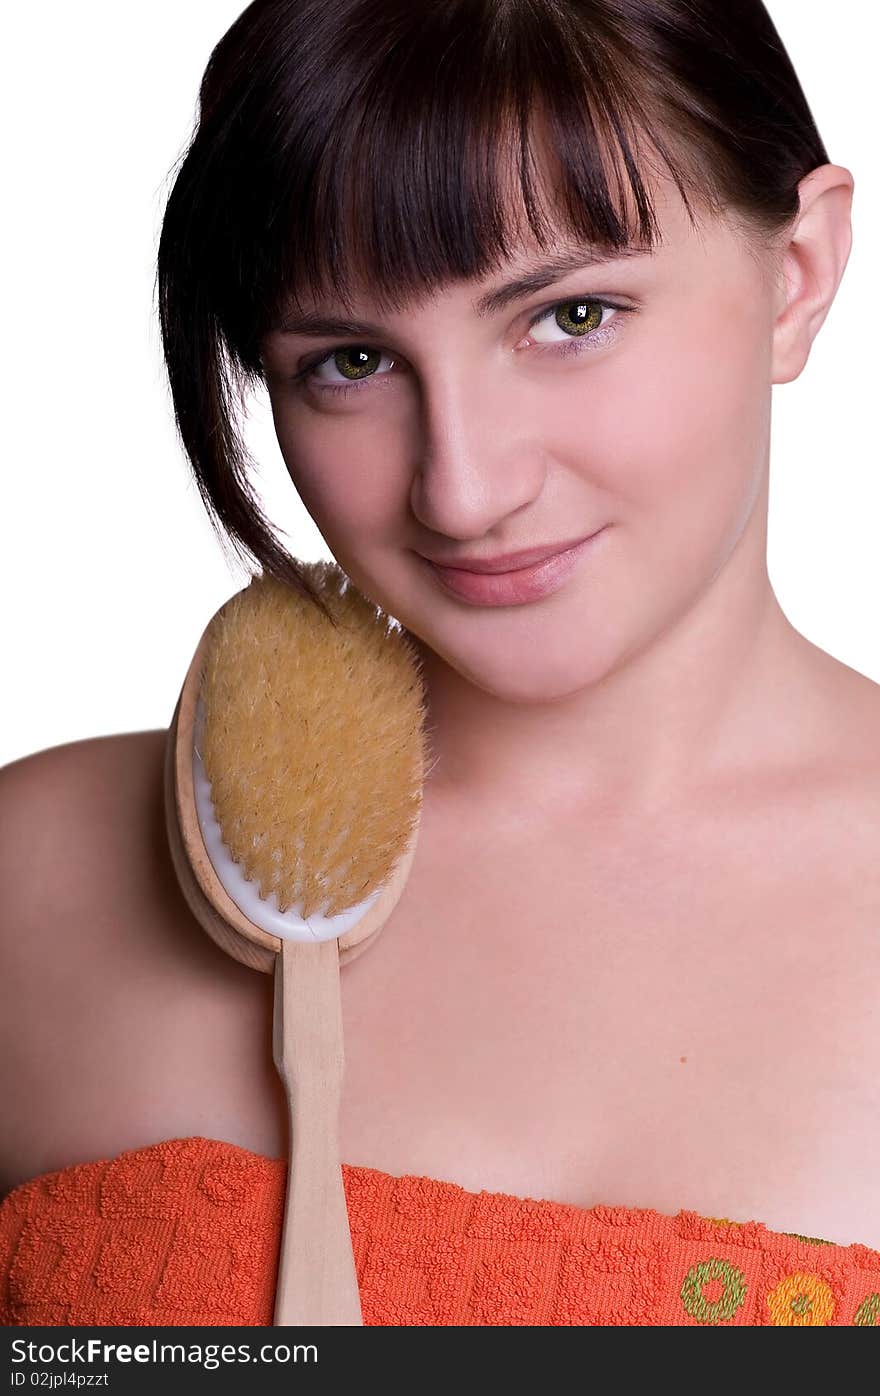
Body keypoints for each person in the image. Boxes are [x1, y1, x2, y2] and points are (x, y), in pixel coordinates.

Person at [1, 0, 878, 1328]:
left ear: (799, 272)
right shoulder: (42, 883)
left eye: (573, 316)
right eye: (349, 363)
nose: (463, 490)